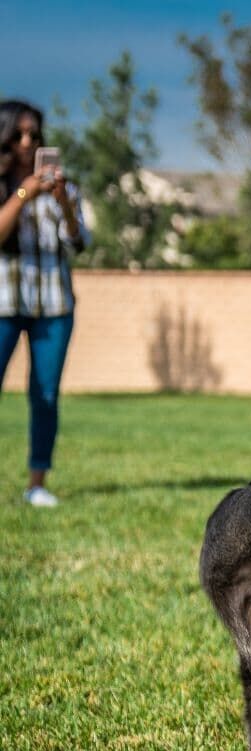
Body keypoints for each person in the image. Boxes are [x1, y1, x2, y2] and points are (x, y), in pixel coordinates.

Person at [1, 100, 89, 508]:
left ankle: (37, 483)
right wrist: (23, 193)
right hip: (4, 302)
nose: (26, 141)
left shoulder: (64, 188)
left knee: (45, 395)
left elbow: (78, 241)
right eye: (18, 134)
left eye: (34, 135)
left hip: (54, 306)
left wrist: (62, 202)